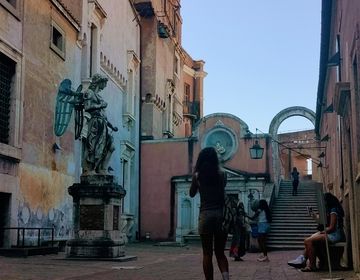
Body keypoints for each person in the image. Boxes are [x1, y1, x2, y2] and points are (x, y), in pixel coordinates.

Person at [190, 147, 229, 280]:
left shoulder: (198, 176)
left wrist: (196, 180)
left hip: (205, 216)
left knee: (207, 254)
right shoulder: (222, 174)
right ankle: (226, 278)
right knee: (220, 253)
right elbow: (222, 189)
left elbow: (191, 193)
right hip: (220, 216)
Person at [287, 192, 346, 272]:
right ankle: (303, 260)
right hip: (331, 233)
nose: (323, 203)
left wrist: (322, 232)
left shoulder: (333, 210)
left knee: (308, 240)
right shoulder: (331, 210)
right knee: (310, 239)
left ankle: (310, 265)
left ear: (328, 201)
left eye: (324, 201)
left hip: (335, 235)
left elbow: (332, 228)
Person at [82, 74, 118, 175]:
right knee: (93, 146)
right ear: (99, 82)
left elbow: (104, 115)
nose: (105, 86)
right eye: (104, 83)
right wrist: (101, 105)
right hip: (95, 122)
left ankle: (103, 168)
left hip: (103, 123)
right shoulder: (89, 93)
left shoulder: (98, 96)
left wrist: (111, 126)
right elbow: (87, 107)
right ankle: (90, 169)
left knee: (110, 146)